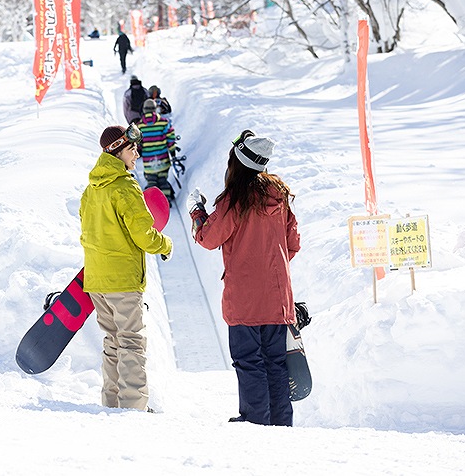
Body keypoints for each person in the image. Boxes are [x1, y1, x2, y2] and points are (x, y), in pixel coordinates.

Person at [189, 130, 300, 426]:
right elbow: (292, 244)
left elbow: (208, 238)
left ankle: (255, 422)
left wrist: (197, 212)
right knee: (276, 362)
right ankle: (281, 423)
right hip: (278, 299)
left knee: (249, 361)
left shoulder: (233, 201)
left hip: (244, 300)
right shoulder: (280, 198)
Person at [80, 124, 173, 412]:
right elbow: (144, 235)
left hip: (97, 280)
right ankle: (133, 407)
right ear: (118, 150)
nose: (137, 154)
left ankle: (111, 403)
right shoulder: (125, 187)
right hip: (122, 280)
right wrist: (165, 245)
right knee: (131, 343)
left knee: (112, 342)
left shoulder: (91, 189)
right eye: (132, 149)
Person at [137, 98, 178, 201]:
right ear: (155, 109)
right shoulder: (164, 123)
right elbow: (171, 139)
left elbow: (138, 144)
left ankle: (153, 204)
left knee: (151, 182)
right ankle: (166, 201)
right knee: (163, 180)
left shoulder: (139, 126)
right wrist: (173, 154)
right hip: (163, 160)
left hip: (148, 162)